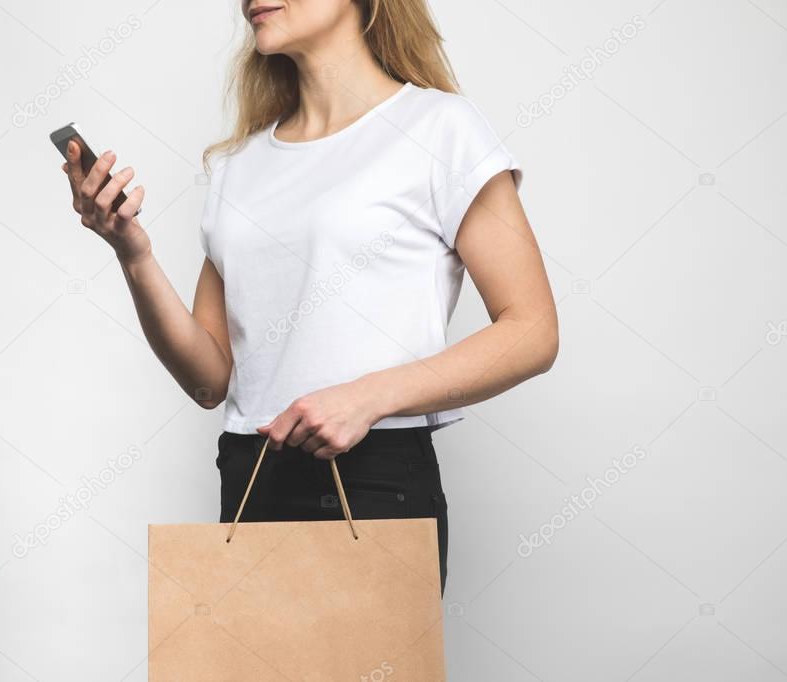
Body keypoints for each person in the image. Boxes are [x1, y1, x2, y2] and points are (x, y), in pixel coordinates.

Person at [59, 0, 558, 598]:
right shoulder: (237, 165)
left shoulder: (440, 128)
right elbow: (209, 380)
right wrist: (131, 253)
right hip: (249, 477)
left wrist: (366, 399)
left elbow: (533, 330)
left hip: (376, 480)